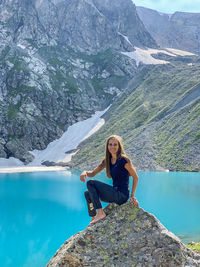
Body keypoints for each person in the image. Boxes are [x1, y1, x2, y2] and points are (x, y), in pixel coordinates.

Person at [80, 135, 139, 224]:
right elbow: (92, 173)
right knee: (88, 193)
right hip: (114, 193)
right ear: (107, 146)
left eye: (115, 144)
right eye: (110, 144)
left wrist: (132, 196)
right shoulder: (107, 160)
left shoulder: (124, 160)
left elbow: (135, 177)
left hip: (121, 195)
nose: (112, 147)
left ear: (119, 146)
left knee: (90, 183)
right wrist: (84, 172)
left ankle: (100, 213)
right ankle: (94, 217)